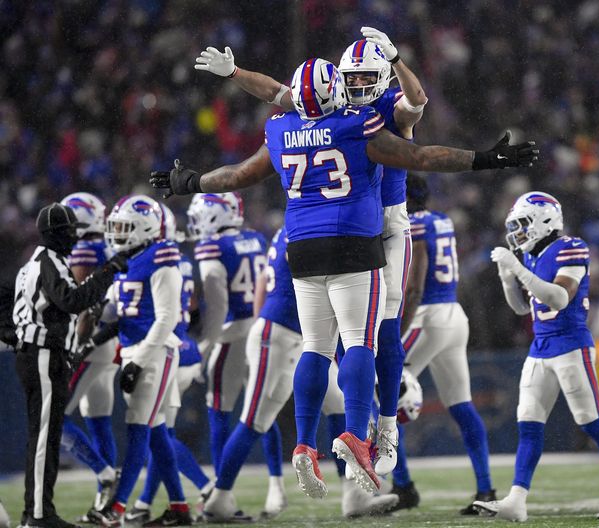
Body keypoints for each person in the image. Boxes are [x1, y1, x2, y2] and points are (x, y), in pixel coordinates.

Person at [151, 56, 537, 498]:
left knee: (315, 348)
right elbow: (421, 157)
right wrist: (486, 159)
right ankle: (356, 433)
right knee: (359, 342)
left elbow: (238, 175)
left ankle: (303, 443)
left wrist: (190, 182)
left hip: (302, 249)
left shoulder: (281, 128)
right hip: (354, 242)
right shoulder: (355, 124)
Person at [195, 27, 429, 475]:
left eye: (366, 78)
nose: (358, 86)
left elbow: (416, 101)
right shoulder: (331, 103)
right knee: (344, 338)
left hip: (387, 225)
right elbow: (277, 93)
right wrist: (236, 72)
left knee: (383, 327)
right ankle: (355, 428)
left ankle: (385, 428)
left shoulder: (384, 107)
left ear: (382, 77)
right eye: (351, 78)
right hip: (348, 232)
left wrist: (397, 58)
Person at [203, 224, 398, 519]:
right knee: (254, 420)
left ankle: (354, 495)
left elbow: (262, 283)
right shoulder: (316, 226)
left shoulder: (293, 227)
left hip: (299, 338)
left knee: (340, 408)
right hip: (281, 334)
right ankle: (219, 497)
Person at [474, 192, 599, 521]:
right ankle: (517, 500)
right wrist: (509, 278)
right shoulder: (533, 256)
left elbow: (560, 298)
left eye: (522, 224)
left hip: (571, 345)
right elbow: (523, 307)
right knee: (529, 425)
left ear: (543, 221)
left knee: (591, 424)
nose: (518, 232)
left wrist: (517, 271)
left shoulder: (570, 247)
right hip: (541, 346)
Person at [13, 202, 126, 528]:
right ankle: (37, 514)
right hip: (43, 354)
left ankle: (37, 512)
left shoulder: (34, 262)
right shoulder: (49, 262)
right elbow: (73, 301)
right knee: (45, 438)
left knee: (45, 437)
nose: (73, 238)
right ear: (56, 234)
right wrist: (108, 271)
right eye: (67, 232)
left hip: (38, 352)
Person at [390, 174, 494, 514]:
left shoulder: (413, 224)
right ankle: (486, 489)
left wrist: (397, 332)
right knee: (461, 405)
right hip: (452, 314)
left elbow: (415, 285)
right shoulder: (441, 220)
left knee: (385, 394)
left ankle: (403, 486)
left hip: (427, 317)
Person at [89, 196, 190, 528]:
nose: (117, 233)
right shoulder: (127, 259)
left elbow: (166, 318)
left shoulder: (161, 257)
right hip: (134, 349)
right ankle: (179, 508)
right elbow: (116, 313)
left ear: (145, 228)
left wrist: (138, 361)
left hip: (156, 351)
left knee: (137, 428)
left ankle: (116, 510)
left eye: (124, 227)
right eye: (115, 227)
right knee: (156, 432)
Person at [124, 203, 214, 524]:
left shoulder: (154, 260)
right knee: (159, 431)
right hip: (185, 348)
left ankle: (206, 488)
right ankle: (146, 503)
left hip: (168, 351)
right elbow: (191, 306)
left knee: (158, 432)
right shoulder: (181, 260)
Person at [186, 192, 276, 480]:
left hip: (231, 334)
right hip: (259, 329)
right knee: (261, 410)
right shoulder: (255, 238)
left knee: (219, 412)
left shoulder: (213, 246)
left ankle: (221, 487)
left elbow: (218, 306)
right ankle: (277, 484)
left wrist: (204, 346)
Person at [56, 192, 119, 520]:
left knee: (53, 415)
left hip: (91, 343)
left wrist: (75, 346)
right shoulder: (107, 247)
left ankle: (105, 474)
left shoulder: (85, 249)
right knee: (99, 420)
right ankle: (106, 505)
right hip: (107, 342)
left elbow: (80, 304)